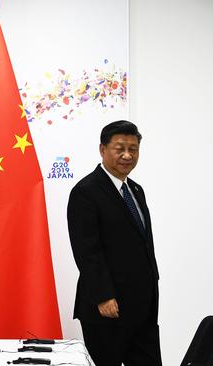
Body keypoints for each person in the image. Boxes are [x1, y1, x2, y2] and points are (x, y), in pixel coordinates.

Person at [67, 120, 161, 365]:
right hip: (108, 307)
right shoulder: (85, 191)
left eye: (133, 148)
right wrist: (103, 296)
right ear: (102, 149)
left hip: (143, 306)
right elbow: (87, 250)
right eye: (120, 148)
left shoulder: (136, 190)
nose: (127, 155)